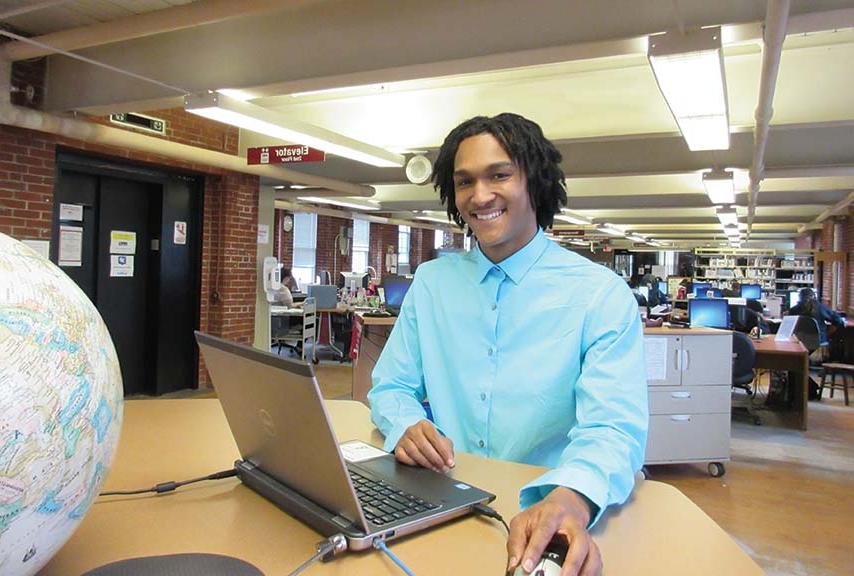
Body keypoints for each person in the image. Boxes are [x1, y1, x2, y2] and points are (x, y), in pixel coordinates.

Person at [367, 113, 647, 576]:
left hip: (547, 509)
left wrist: (571, 498)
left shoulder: (598, 293)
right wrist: (406, 423)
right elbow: (390, 385)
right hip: (446, 504)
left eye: (499, 175)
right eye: (464, 182)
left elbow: (614, 429)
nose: (480, 196)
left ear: (534, 182)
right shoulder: (433, 283)